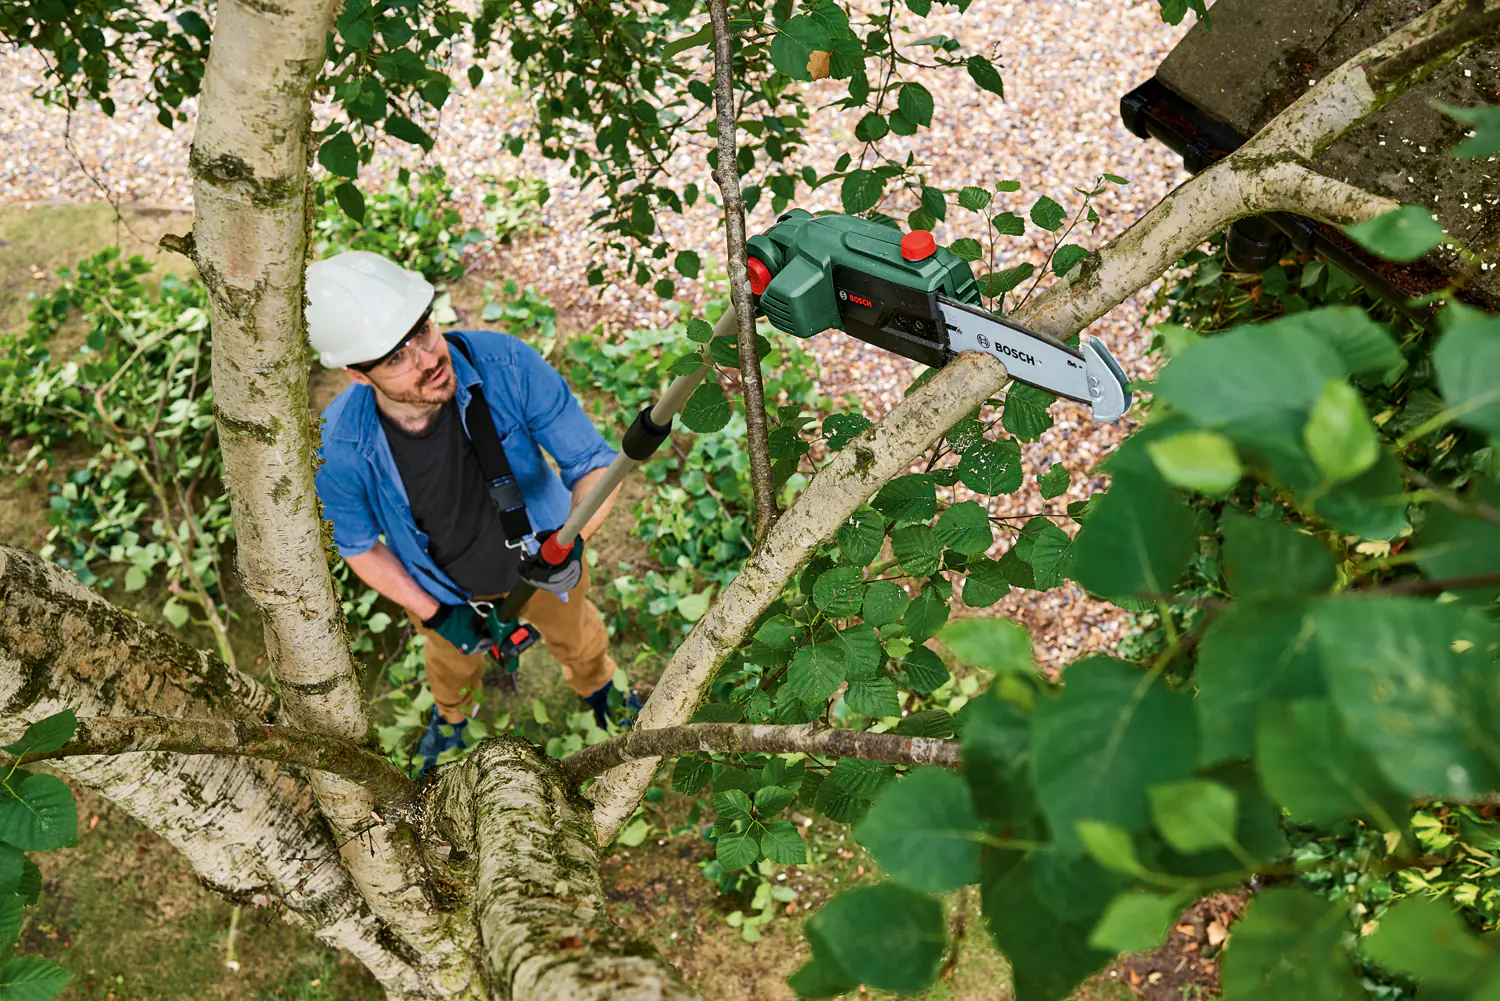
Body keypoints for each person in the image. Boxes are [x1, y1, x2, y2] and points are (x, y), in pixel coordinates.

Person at [306, 250, 638, 775]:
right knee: (449, 665)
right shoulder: (339, 444)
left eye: (423, 331)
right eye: (396, 357)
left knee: (578, 636)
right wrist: (436, 613)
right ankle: (454, 717)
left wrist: (572, 539)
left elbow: (593, 464)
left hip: (548, 563)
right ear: (358, 376)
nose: (427, 357)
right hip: (443, 590)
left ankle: (600, 689)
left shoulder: (506, 364)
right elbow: (358, 546)